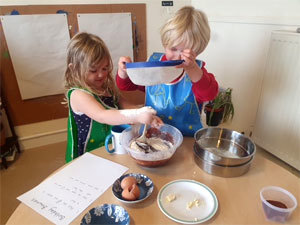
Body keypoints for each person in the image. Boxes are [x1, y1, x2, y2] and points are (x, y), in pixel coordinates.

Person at [116, 6, 218, 136]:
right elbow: (128, 85)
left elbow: (209, 94)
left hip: (186, 139)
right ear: (165, 44)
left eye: (185, 52)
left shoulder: (197, 71)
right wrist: (124, 73)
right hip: (153, 135)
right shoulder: (154, 66)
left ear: (198, 50)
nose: (178, 56)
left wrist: (192, 69)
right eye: (173, 49)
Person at [64, 32, 162, 163]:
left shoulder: (105, 86)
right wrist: (137, 115)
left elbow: (123, 104)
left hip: (111, 145)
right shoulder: (78, 95)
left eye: (104, 68)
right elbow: (103, 115)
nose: (101, 75)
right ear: (74, 68)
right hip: (90, 153)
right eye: (93, 70)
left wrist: (145, 111)